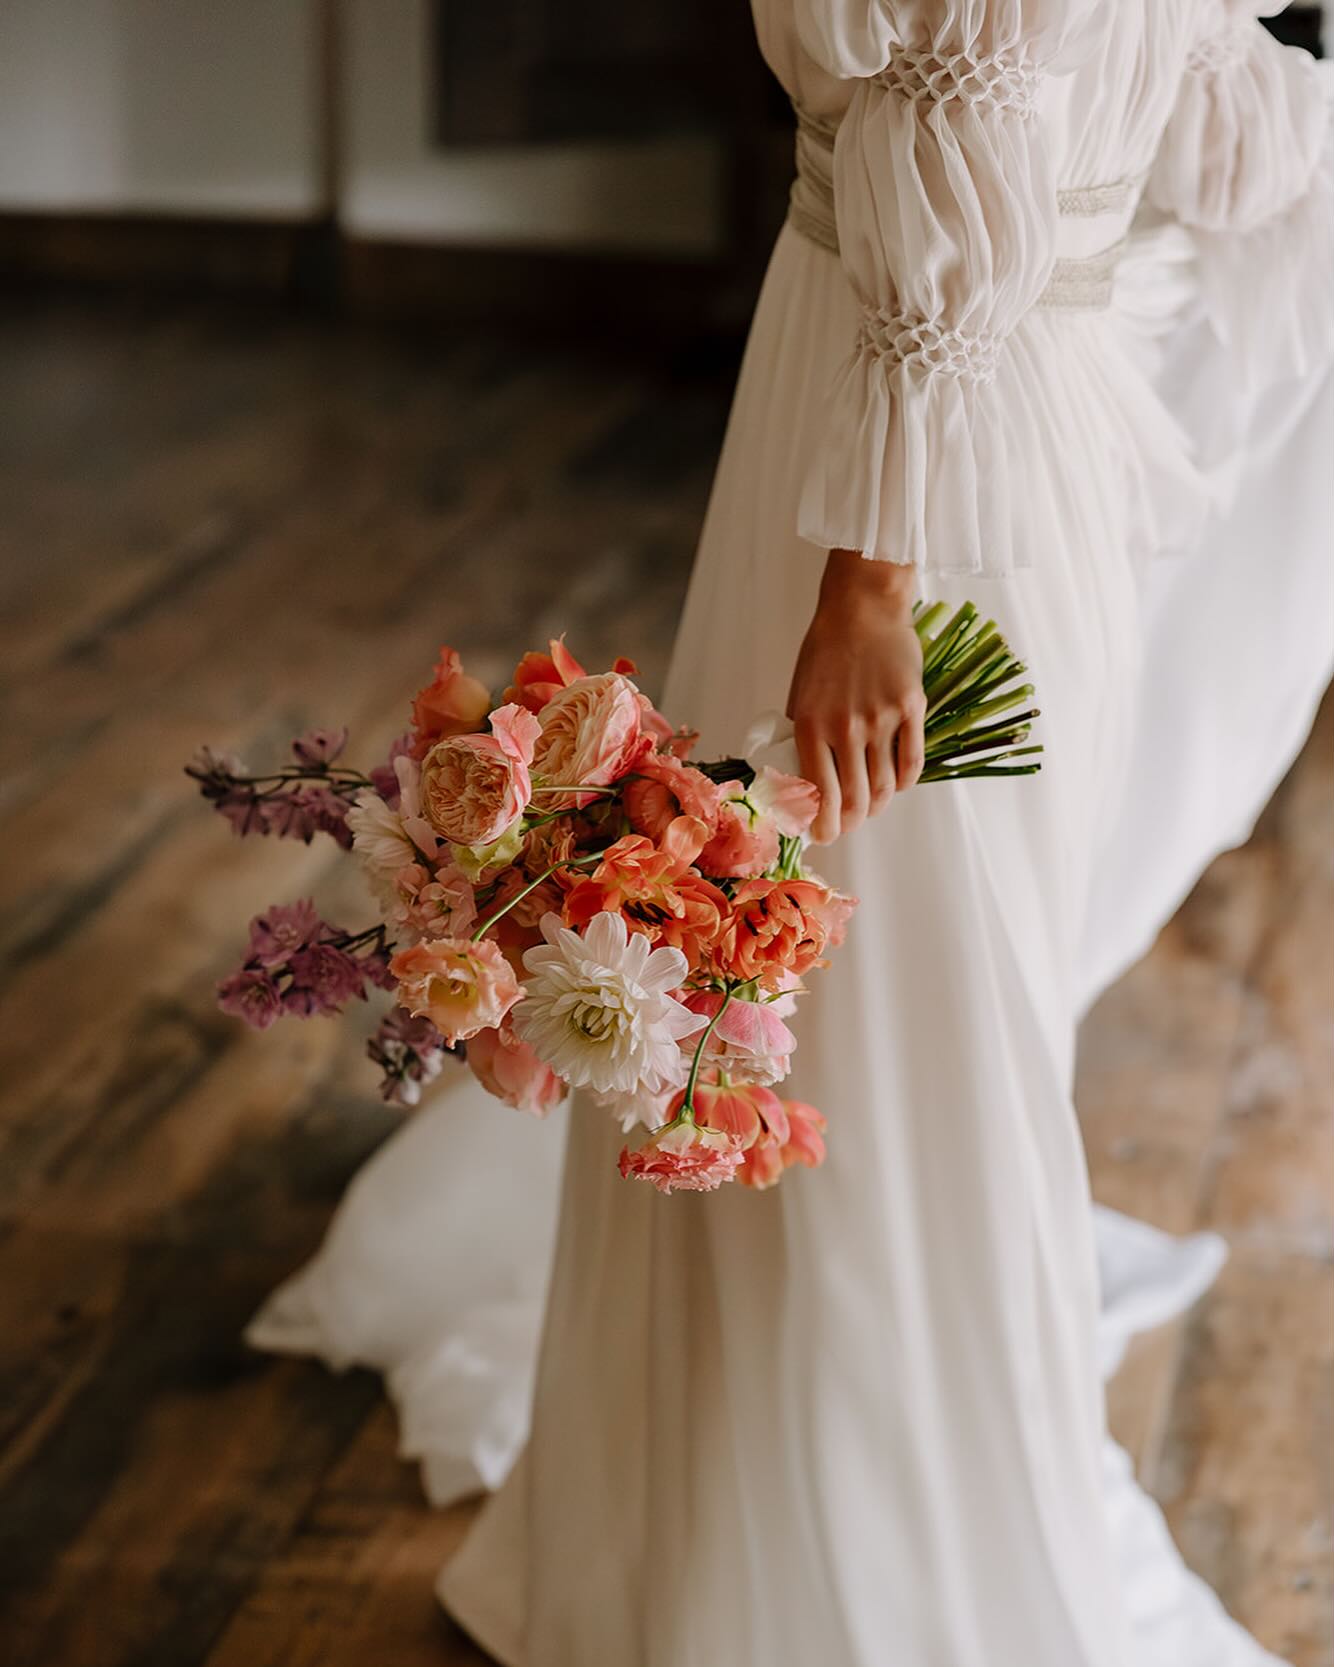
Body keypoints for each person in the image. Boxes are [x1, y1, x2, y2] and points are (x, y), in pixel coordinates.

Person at [253, 4, 1332, 1663]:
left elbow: (958, 129)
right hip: (1012, 448)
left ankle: (866, 1561)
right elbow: (1229, 131)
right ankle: (786, 1524)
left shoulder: (880, 536)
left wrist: (869, 587)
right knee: (877, 995)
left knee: (878, 1009)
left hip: (906, 492)